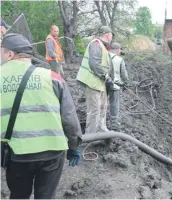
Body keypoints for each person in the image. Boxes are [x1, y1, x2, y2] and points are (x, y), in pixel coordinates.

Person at [1, 33, 82, 199]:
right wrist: (74, 145)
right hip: (53, 153)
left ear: (10, 54)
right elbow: (69, 118)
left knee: (19, 196)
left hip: (17, 154)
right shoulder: (53, 77)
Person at [76, 26, 114, 134]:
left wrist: (107, 78)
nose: (111, 38)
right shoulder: (96, 44)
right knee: (94, 110)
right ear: (108, 35)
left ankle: (101, 131)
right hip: (93, 83)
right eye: (111, 35)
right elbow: (94, 64)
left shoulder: (102, 46)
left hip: (99, 84)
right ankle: (91, 136)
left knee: (102, 108)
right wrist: (105, 76)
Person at [107, 42, 128, 131]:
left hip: (102, 83)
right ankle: (114, 123)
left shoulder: (104, 56)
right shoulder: (119, 59)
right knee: (114, 104)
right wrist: (125, 82)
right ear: (117, 50)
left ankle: (100, 122)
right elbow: (124, 75)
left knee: (102, 103)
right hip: (115, 85)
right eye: (120, 50)